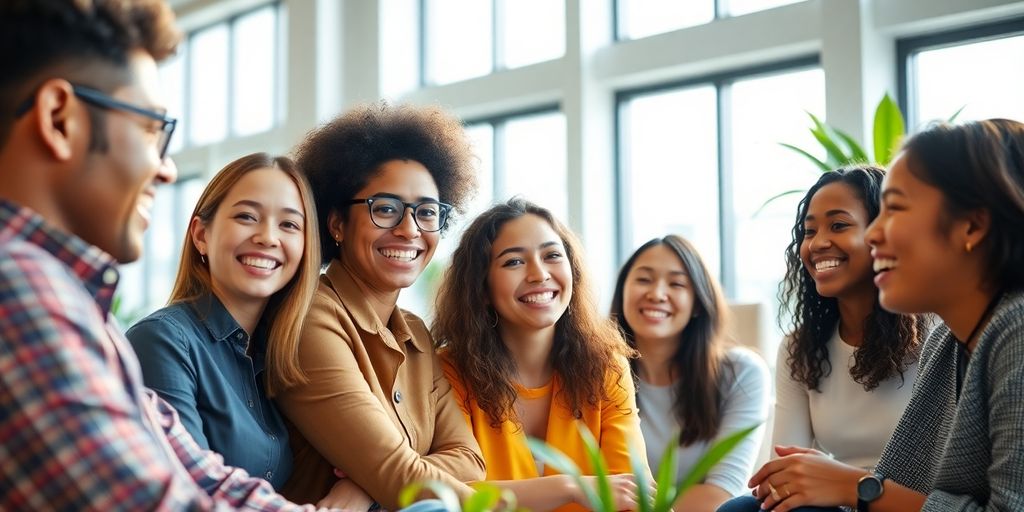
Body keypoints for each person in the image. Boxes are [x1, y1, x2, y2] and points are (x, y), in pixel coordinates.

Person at [0, 0, 326, 508]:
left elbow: (209, 478)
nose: (167, 169)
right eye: (153, 130)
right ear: (59, 119)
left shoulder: (76, 305)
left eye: (290, 224)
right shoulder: (19, 286)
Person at [734, 119, 1024, 511]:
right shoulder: (949, 343)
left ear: (971, 225)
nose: (872, 235)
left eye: (896, 209)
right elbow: (904, 482)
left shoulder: (1016, 330)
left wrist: (856, 486)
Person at [276, 102, 485, 510]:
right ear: (336, 223)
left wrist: (367, 484)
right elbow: (398, 476)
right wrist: (388, 477)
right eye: (386, 209)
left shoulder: (416, 335)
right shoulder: (308, 318)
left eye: (427, 212)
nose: (409, 230)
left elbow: (471, 462)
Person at [718, 166, 927, 512]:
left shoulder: (934, 334)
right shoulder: (800, 349)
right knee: (738, 509)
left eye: (839, 225)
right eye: (809, 231)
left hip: (902, 504)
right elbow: (785, 472)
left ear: (883, 234)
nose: (817, 244)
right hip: (835, 505)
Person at [433, 198, 650, 512]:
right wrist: (571, 487)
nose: (539, 274)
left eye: (552, 256)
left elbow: (631, 493)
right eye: (513, 262)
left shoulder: (606, 368)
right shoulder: (447, 372)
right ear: (480, 286)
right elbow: (451, 494)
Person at [127, 153, 319, 490]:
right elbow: (192, 491)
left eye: (289, 224)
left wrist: (358, 488)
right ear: (201, 234)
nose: (268, 237)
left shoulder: (278, 354)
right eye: (247, 216)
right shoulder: (162, 341)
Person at [610, 235, 770, 512]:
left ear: (697, 302)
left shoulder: (742, 373)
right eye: (644, 280)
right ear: (623, 290)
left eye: (676, 283)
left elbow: (722, 491)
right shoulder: (598, 375)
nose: (657, 294)